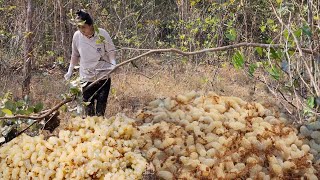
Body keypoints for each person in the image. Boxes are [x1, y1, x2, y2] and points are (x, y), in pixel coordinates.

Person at [64, 10, 116, 117]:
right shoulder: (77, 36)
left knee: (100, 112)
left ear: (91, 25)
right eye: (79, 27)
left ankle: (101, 130)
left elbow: (111, 50)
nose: (81, 30)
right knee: (89, 113)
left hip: (103, 78)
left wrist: (113, 63)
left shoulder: (102, 34)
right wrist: (70, 70)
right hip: (86, 79)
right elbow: (75, 55)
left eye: (84, 27)